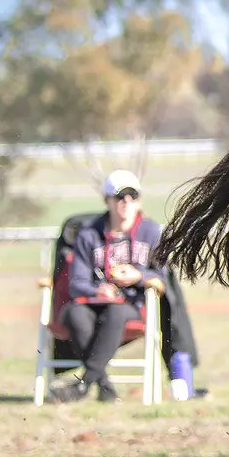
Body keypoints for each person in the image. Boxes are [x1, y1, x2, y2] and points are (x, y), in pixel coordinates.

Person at [52, 170, 175, 401]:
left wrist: (136, 276)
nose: (126, 203)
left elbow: (161, 278)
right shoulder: (90, 234)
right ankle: (104, 386)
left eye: (133, 196)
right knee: (74, 314)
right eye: (120, 197)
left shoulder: (150, 232)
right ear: (107, 200)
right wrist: (98, 290)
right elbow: (77, 283)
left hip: (130, 302)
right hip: (93, 302)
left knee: (116, 314)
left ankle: (84, 384)